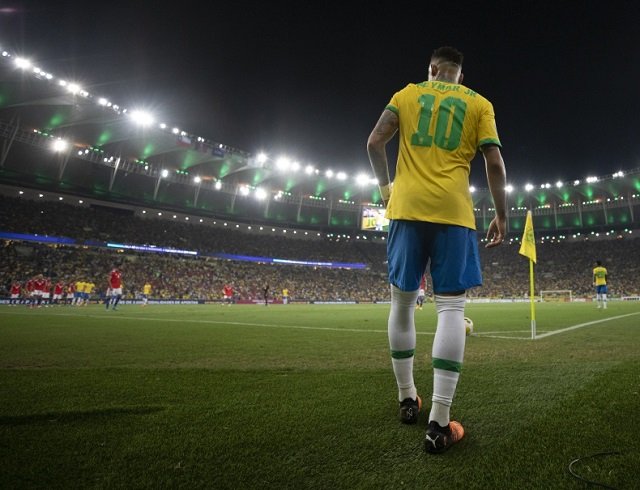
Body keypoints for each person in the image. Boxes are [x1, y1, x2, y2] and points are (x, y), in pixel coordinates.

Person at [367, 46, 507, 454]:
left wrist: (386, 191)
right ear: (460, 76)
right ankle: (439, 424)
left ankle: (407, 399)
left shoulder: (406, 94)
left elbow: (374, 142)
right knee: (451, 310)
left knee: (401, 304)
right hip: (453, 213)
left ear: (431, 69)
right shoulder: (479, 103)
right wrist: (501, 215)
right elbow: (495, 163)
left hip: (406, 209)